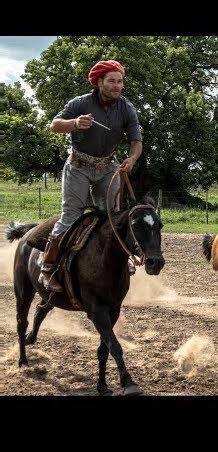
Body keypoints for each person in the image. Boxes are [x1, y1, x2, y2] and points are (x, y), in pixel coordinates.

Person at [39, 60, 143, 291]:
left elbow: (136, 141)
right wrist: (75, 123)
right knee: (70, 216)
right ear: (99, 82)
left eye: (120, 81)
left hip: (108, 167)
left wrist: (132, 159)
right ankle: (47, 267)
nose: (117, 86)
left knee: (113, 216)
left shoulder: (126, 108)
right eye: (112, 81)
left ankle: (117, 262)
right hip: (78, 166)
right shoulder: (80, 103)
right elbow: (54, 125)